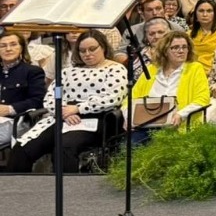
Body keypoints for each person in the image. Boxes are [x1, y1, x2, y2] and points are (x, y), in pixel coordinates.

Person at [6, 31, 127, 174]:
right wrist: (63, 111)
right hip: (62, 116)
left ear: (104, 47)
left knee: (64, 146)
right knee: (22, 148)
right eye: (82, 50)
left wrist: (77, 109)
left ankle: (67, 194)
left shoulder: (115, 69)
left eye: (92, 49)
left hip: (95, 118)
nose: (87, 54)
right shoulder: (67, 72)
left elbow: (113, 97)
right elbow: (53, 94)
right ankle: (17, 193)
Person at [0, 30, 47, 150]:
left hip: (17, 121)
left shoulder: (32, 71)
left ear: (21, 48)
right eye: (3, 46)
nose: (8, 49)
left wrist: (9, 109)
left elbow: (38, 100)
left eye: (13, 44)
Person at [188, 0, 216, 72]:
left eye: (209, 11)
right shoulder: (189, 34)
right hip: (193, 72)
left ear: (215, 14)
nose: (205, 14)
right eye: (201, 11)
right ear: (196, 14)